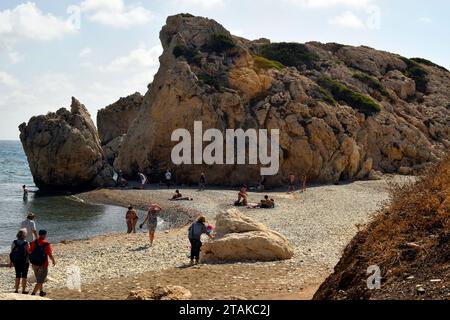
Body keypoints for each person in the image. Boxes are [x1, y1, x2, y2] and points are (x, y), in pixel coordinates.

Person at [28, 230, 55, 297]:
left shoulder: (34, 242)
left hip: (34, 264)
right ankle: (33, 294)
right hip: (43, 265)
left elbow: (29, 251)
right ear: (44, 235)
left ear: (39, 234)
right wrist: (53, 261)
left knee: (39, 279)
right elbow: (50, 254)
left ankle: (41, 292)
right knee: (40, 281)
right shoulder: (46, 243)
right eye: (45, 235)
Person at [9, 229, 30, 294]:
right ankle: (23, 290)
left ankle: (16, 290)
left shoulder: (14, 242)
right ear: (24, 235)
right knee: (24, 275)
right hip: (25, 261)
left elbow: (11, 252)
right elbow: (29, 252)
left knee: (17, 275)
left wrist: (11, 262)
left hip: (16, 261)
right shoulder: (26, 243)